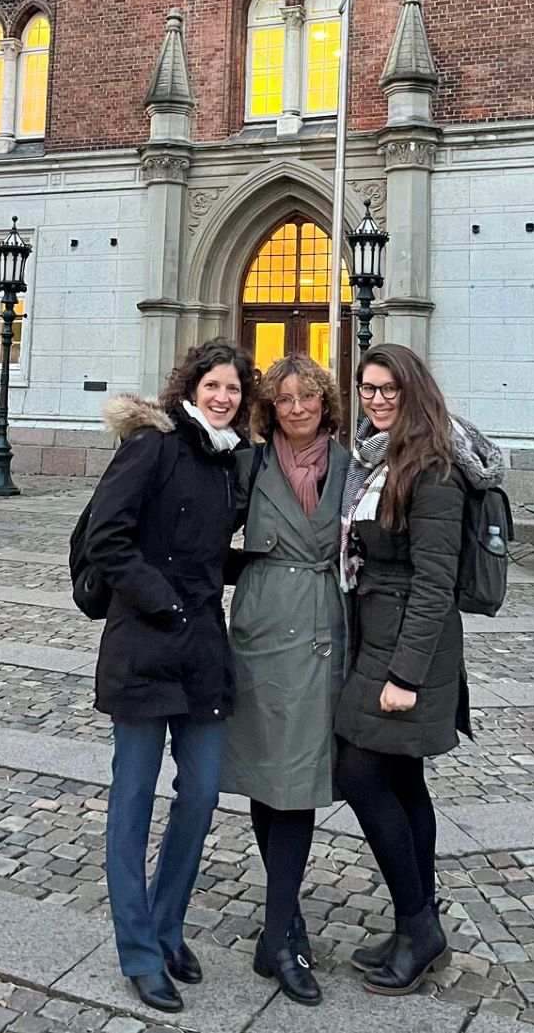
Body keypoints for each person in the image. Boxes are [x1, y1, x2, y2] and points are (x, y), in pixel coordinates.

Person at [84, 339, 254, 1014]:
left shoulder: (225, 460)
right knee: (132, 798)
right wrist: (166, 600)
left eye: (235, 389)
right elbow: (107, 538)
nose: (223, 396)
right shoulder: (152, 443)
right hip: (145, 643)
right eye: (214, 385)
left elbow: (208, 552)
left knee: (203, 792)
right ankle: (138, 949)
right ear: (192, 385)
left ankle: (167, 924)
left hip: (200, 650)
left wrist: (271, 565)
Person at [334, 342, 505, 997]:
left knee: (358, 769)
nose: (376, 398)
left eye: (388, 388)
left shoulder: (433, 465)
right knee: (401, 777)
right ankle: (416, 927)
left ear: (414, 390)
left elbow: (434, 580)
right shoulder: (382, 455)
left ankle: (420, 923)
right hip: (378, 631)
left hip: (411, 645)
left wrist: (403, 675)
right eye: (368, 387)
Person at [222, 355, 350, 1007]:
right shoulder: (250, 463)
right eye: (283, 399)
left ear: (325, 402)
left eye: (307, 396)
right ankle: (284, 927)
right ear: (269, 407)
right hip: (261, 627)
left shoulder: (350, 467)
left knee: (296, 782)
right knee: (266, 775)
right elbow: (205, 530)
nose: (296, 407)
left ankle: (281, 935)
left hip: (321, 629)